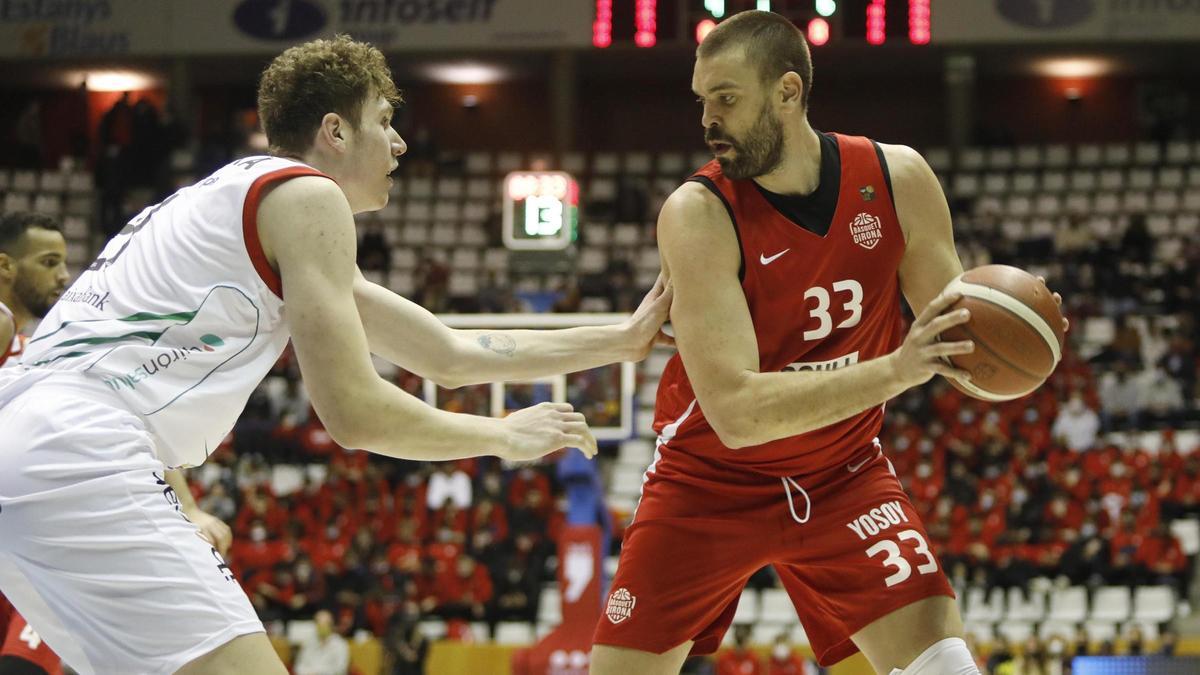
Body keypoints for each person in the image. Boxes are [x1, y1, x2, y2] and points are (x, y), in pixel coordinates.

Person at [0, 36, 671, 675]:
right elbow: (352, 412)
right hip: (79, 448)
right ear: (335, 131)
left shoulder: (256, 201)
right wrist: (502, 434)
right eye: (386, 120)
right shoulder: (307, 197)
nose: (402, 141)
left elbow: (448, 353)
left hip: (26, 445)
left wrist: (622, 339)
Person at [590, 11, 1065, 675]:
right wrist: (897, 370)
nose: (707, 121)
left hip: (843, 474)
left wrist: (1023, 324)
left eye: (725, 98)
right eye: (702, 102)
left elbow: (957, 343)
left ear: (787, 92)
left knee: (947, 665)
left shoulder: (899, 179)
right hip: (708, 482)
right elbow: (737, 413)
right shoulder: (698, 214)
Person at [293, 610, 349, 675]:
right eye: (319, 624)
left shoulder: (340, 644)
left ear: (331, 625)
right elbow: (299, 666)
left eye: (325, 624)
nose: (322, 627)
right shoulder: (308, 642)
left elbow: (340, 669)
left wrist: (319, 673)